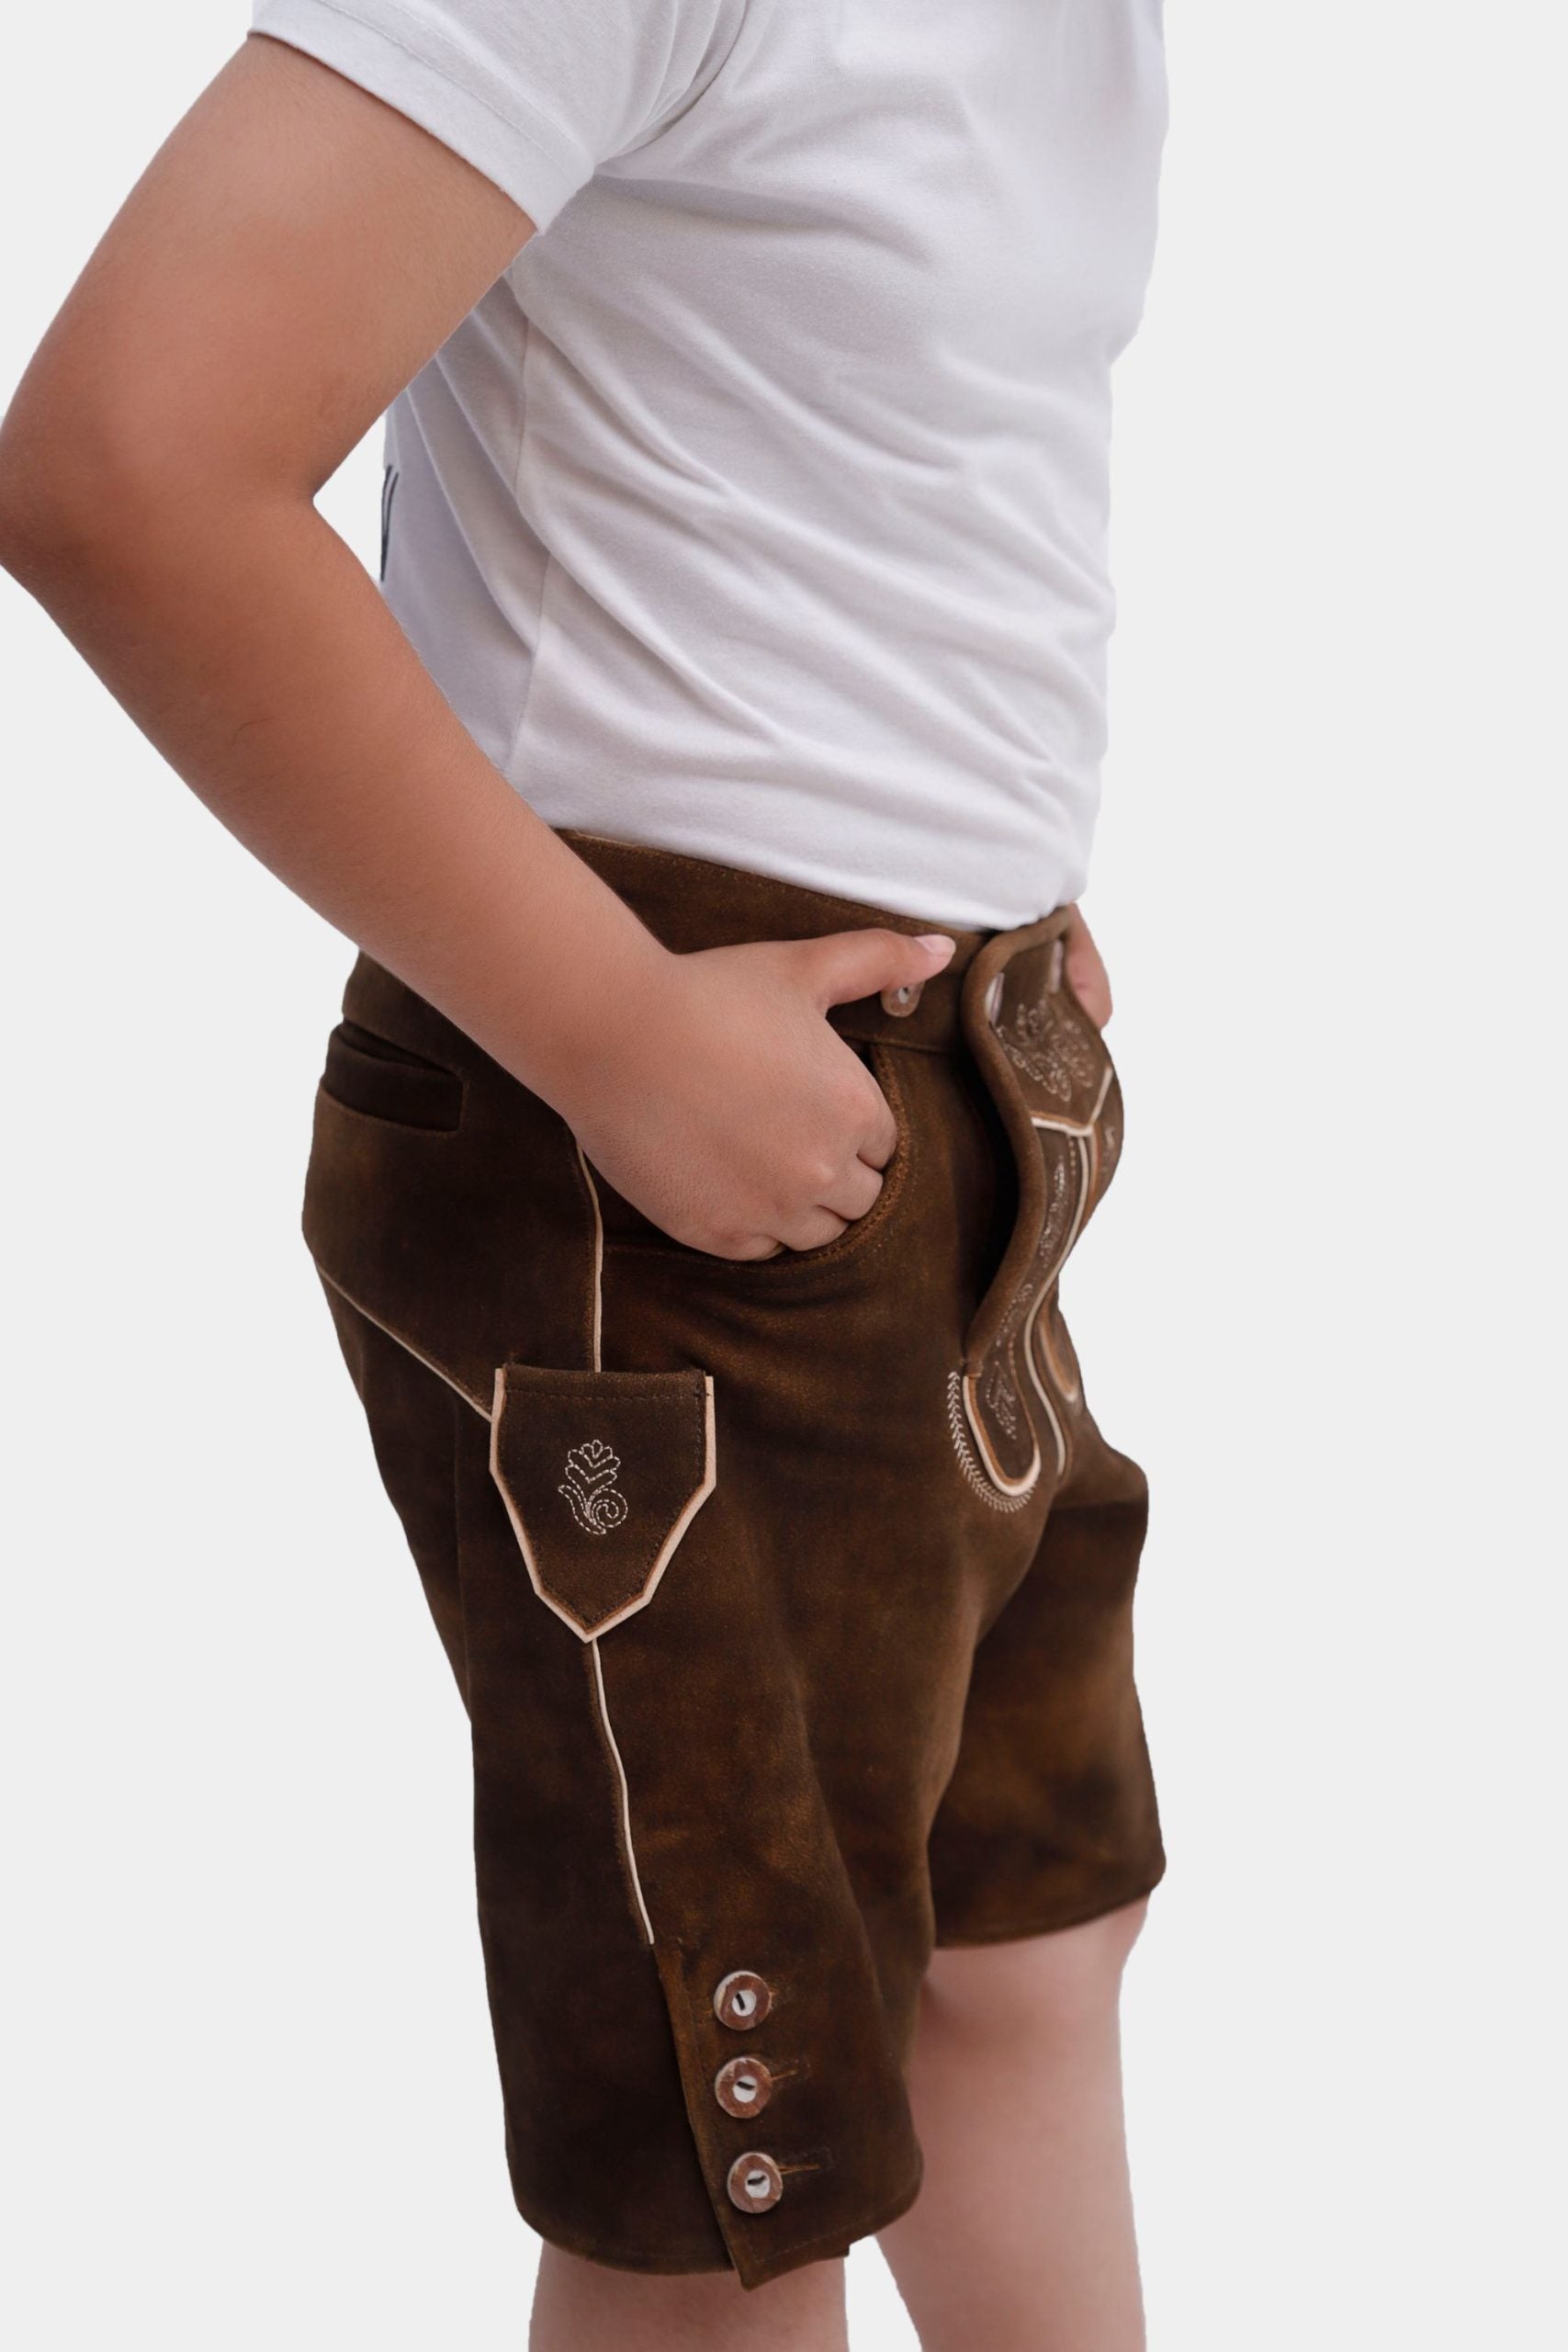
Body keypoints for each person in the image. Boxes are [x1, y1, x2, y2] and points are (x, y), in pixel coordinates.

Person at [0, 6, 1169, 2346]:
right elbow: (123, 461)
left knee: (1023, 1918)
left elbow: (846, 442)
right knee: (731, 2158)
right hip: (665, 1168)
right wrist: (615, 1027)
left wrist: (972, 872)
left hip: (943, 1105)